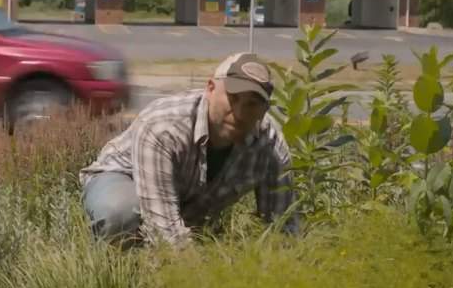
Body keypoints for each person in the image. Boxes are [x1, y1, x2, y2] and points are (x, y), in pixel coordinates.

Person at [80, 52, 297, 247]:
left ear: (265, 109)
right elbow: (164, 230)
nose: (239, 112)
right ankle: (114, 273)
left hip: (187, 201)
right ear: (210, 89)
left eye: (252, 104)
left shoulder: (271, 146)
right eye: (233, 98)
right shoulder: (164, 126)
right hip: (123, 176)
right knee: (121, 215)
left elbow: (282, 227)